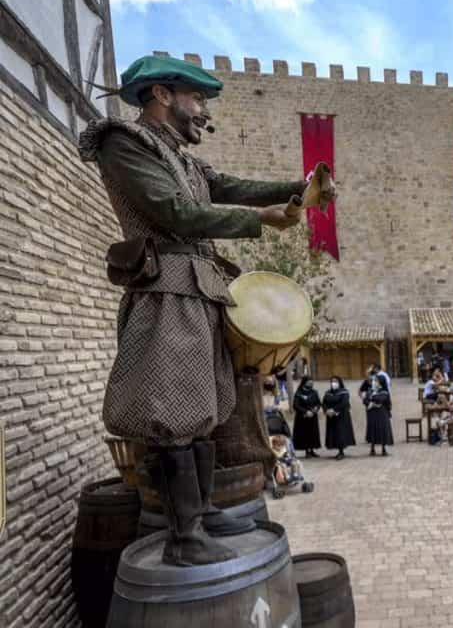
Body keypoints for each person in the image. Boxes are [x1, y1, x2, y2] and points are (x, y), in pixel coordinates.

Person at [79, 55, 338, 566]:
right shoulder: (124, 143)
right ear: (160, 95)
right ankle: (185, 535)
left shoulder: (184, 157)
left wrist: (300, 190)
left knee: (204, 411)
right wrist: (258, 220)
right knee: (173, 413)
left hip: (199, 289)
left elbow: (230, 187)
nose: (203, 110)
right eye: (196, 98)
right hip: (166, 291)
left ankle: (200, 513)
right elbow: (174, 213)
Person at [323, 376, 355, 460]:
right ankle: (336, 448)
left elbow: (344, 403)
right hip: (331, 416)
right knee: (333, 433)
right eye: (332, 381)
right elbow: (324, 402)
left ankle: (341, 451)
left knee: (340, 433)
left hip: (341, 416)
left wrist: (334, 410)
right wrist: (326, 410)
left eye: (335, 381)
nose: (333, 383)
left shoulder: (344, 392)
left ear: (339, 382)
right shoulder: (328, 392)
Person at [363, 373, 394, 456]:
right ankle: (372, 448)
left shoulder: (384, 391)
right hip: (372, 414)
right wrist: (371, 402)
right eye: (374, 380)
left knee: (382, 430)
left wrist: (371, 398)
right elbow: (365, 400)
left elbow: (381, 399)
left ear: (381, 382)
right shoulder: (371, 390)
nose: (374, 382)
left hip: (382, 414)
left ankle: (383, 449)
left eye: (376, 381)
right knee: (373, 430)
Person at [291, 378, 322, 458]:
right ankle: (306, 450)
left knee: (313, 433)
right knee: (305, 434)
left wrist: (316, 409)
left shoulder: (314, 392)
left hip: (312, 416)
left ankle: (312, 450)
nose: (311, 383)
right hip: (302, 417)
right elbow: (296, 405)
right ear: (304, 382)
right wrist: (305, 411)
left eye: (312, 382)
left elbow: (318, 403)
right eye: (309, 382)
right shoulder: (299, 393)